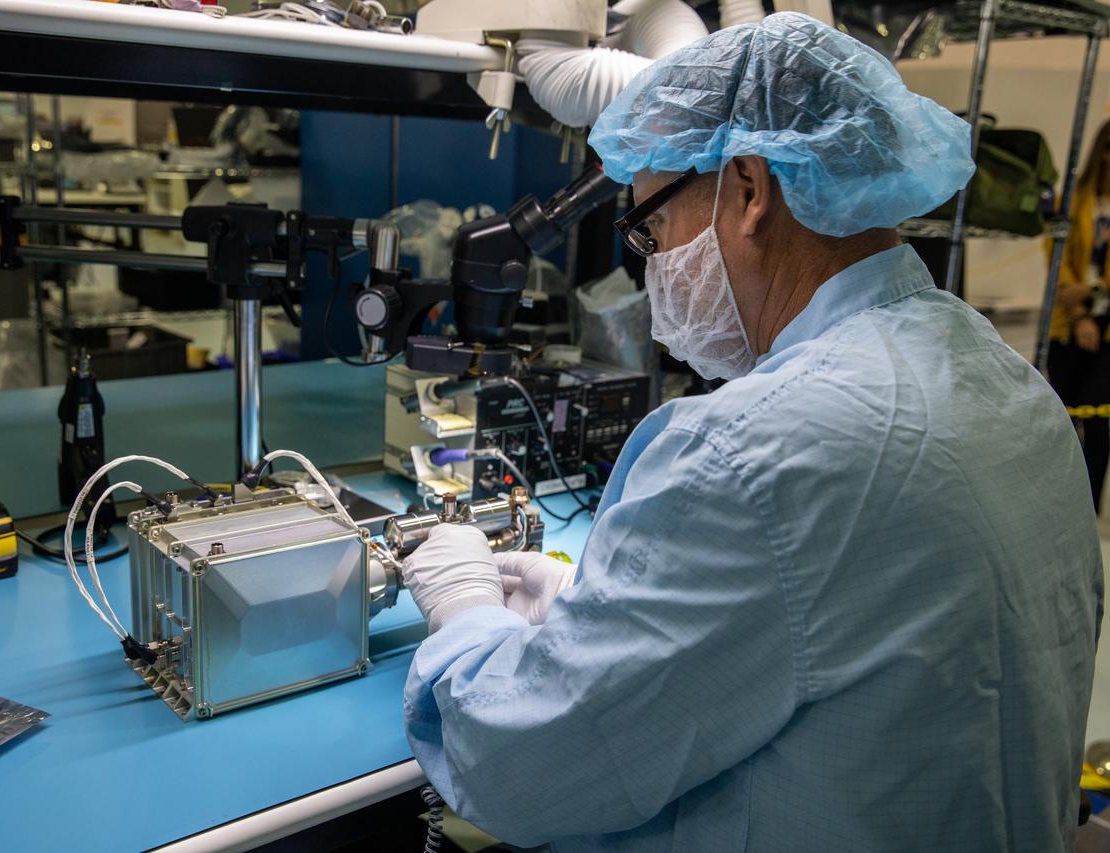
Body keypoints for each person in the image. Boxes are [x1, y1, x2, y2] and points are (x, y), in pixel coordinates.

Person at [399, 13, 1103, 853]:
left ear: (748, 191)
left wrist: (468, 612)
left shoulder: (751, 452)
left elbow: (513, 764)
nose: (653, 265)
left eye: (651, 229)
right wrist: (595, 622)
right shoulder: (1010, 384)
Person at [1047, 119, 1110, 514]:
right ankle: (1065, 503)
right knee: (1065, 416)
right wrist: (1078, 311)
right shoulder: (1074, 198)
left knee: (1099, 416)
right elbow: (1056, 258)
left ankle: (1090, 506)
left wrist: (1097, 291)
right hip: (1068, 321)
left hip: (1107, 325)